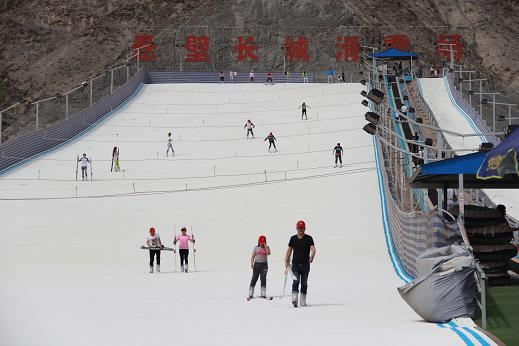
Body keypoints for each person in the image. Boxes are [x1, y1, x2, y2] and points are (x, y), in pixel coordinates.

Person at [284, 220, 316, 307]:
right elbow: (289, 251)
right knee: (296, 280)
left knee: (304, 282)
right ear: (296, 228)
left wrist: (312, 256)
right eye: (299, 228)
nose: (300, 229)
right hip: (295, 264)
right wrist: (286, 262)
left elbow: (313, 248)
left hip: (305, 265)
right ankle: (294, 298)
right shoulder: (293, 238)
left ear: (305, 228)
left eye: (302, 228)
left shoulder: (309, 238)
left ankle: (302, 300)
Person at [248, 235, 271, 299]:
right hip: (257, 264)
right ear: (259, 242)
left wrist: (266, 246)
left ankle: (263, 293)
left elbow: (268, 253)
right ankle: (250, 292)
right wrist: (252, 264)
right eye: (261, 242)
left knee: (263, 278)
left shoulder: (267, 247)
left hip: (264, 265)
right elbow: (253, 256)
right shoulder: (256, 248)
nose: (262, 243)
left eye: (263, 242)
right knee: (254, 278)